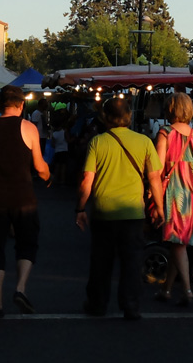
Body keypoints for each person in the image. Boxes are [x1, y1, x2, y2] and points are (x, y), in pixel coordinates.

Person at [76, 97, 164, 320]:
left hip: (104, 213)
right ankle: (131, 305)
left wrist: (80, 208)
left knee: (101, 263)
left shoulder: (98, 142)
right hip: (133, 213)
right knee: (132, 263)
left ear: (105, 117)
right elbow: (155, 179)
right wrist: (160, 209)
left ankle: (97, 304)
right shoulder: (144, 141)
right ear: (130, 116)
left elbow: (87, 179)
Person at [0, 85, 50, 318]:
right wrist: (47, 175)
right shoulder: (28, 127)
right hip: (23, 197)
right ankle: (20, 288)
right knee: (27, 243)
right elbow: (39, 166)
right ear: (21, 105)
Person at [152, 93, 193, 306]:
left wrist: (151, 192)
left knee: (178, 243)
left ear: (169, 109)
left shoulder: (165, 133)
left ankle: (187, 291)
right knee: (179, 243)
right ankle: (167, 290)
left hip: (175, 192)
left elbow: (159, 167)